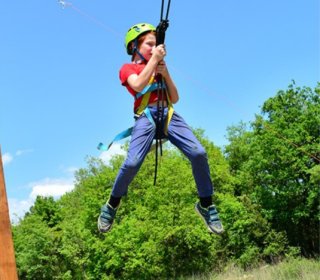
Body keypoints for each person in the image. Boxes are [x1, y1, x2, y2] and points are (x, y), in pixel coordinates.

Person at [98, 23, 224, 234]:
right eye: (150, 44)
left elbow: (175, 97)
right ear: (135, 47)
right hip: (146, 116)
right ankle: (112, 204)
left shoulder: (159, 67)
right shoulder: (128, 68)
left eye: (157, 44)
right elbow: (137, 85)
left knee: (199, 153)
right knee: (132, 163)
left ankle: (206, 203)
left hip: (168, 114)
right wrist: (155, 60)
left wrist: (165, 74)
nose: (155, 48)